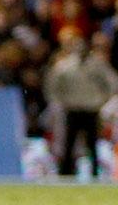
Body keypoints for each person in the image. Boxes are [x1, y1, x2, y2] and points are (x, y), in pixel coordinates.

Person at [45, 35, 118, 177]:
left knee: (92, 143)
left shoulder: (97, 65)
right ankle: (66, 173)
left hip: (91, 109)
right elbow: (52, 85)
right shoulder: (65, 66)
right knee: (69, 143)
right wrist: (60, 101)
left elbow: (112, 82)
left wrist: (102, 100)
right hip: (72, 109)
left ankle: (94, 173)